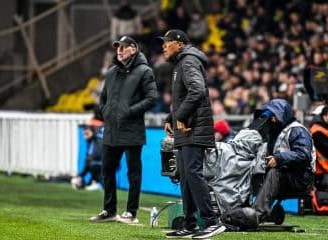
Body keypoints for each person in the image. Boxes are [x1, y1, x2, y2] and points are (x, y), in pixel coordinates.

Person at [159, 29, 226, 239]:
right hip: (187, 126)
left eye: (167, 42)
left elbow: (197, 91)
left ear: (179, 44)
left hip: (194, 127)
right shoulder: (181, 63)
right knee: (186, 176)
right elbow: (186, 96)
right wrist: (172, 118)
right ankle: (190, 224)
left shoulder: (187, 61)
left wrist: (181, 116)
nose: (163, 46)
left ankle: (212, 221)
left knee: (193, 173)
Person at [90, 36, 158, 223]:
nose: (119, 50)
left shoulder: (145, 71)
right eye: (118, 47)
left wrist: (129, 111)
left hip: (132, 129)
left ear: (134, 49)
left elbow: (152, 98)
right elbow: (103, 98)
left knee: (133, 173)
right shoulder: (111, 73)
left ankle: (131, 213)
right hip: (111, 129)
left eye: (124, 47)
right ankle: (109, 210)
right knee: (107, 170)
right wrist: (105, 111)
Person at [252, 99, 314, 223]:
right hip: (286, 175)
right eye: (271, 116)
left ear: (284, 114)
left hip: (300, 177)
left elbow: (303, 155)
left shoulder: (297, 130)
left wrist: (279, 158)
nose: (272, 119)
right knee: (253, 172)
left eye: (275, 115)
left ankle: (256, 215)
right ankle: (245, 210)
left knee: (275, 173)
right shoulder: (274, 131)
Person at [71, 124, 103, 191]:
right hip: (98, 163)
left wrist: (90, 158)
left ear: (92, 132)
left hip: (104, 163)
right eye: (84, 134)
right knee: (90, 164)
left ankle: (98, 183)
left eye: (87, 133)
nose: (85, 136)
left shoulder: (98, 141)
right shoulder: (90, 142)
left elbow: (99, 155)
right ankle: (91, 182)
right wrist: (80, 174)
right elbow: (88, 161)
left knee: (92, 164)